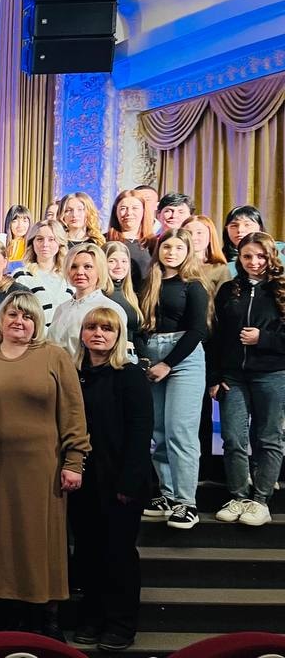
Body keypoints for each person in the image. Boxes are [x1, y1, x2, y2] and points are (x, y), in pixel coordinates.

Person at [0, 291, 89, 639]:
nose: (19, 322)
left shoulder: (55, 356)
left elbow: (73, 411)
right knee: (1, 541)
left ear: (37, 322)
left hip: (43, 468)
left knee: (42, 541)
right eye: (13, 315)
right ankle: (8, 616)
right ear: (1, 319)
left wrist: (75, 460)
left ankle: (46, 617)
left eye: (27, 316)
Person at [68, 308, 153, 652]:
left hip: (121, 481)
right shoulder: (74, 374)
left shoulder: (130, 376)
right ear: (82, 333)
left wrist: (129, 483)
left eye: (107, 328)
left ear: (119, 336)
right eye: (92, 327)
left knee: (118, 554)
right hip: (83, 480)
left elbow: (141, 431)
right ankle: (92, 617)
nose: (98, 333)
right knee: (88, 552)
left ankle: (121, 623)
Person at [207, 232, 285, 528]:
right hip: (233, 377)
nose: (254, 262)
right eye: (247, 256)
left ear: (271, 257)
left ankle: (260, 500)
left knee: (268, 438)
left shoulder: (281, 289)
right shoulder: (229, 290)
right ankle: (239, 496)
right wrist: (215, 376)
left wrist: (262, 338)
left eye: (261, 256)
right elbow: (216, 337)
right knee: (233, 438)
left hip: (272, 374)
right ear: (238, 258)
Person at [138, 227, 209, 530]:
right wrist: (148, 360)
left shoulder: (193, 286)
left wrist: (167, 364)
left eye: (179, 248)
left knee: (180, 431)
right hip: (153, 355)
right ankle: (167, 495)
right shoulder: (148, 283)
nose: (172, 253)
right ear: (159, 250)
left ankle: (186, 502)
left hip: (183, 359)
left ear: (188, 252)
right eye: (167, 247)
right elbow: (140, 326)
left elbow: (197, 330)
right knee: (159, 431)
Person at [48, 244, 129, 359]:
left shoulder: (111, 309)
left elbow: (118, 355)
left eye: (88, 267)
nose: (79, 272)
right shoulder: (61, 309)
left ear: (100, 270)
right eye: (73, 266)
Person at [13, 219, 74, 328]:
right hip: (36, 336)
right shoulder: (21, 276)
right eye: (40, 239)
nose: (45, 244)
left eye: (51, 239)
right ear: (32, 242)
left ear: (60, 243)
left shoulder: (70, 276)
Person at [105, 191, 152, 289]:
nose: (129, 213)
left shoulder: (153, 243)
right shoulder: (104, 241)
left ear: (143, 211)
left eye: (135, 208)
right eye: (123, 208)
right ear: (116, 212)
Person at [104, 241, 143, 357]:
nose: (119, 266)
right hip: (109, 357)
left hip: (131, 357)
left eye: (124, 261)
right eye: (112, 261)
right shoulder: (98, 295)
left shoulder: (131, 295)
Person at [183, 214, 231, 295]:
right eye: (188, 233)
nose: (193, 237)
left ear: (210, 236)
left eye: (199, 233)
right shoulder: (173, 265)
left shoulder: (219, 268)